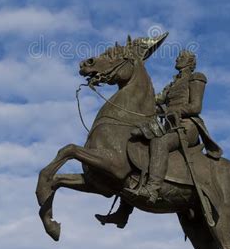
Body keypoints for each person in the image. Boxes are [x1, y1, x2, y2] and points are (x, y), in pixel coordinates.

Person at [95, 49, 222, 226]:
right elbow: (155, 101)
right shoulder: (172, 84)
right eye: (179, 56)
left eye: (182, 57)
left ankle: (153, 189)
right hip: (169, 125)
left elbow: (195, 107)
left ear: (190, 62)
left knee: (159, 142)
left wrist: (173, 110)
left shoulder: (196, 77)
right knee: (136, 151)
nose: (178, 58)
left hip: (187, 127)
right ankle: (123, 212)